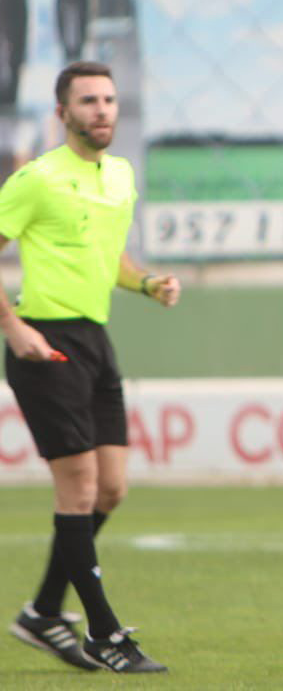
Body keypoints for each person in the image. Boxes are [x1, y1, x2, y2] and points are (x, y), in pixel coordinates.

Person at [2, 61, 179, 674]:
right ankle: (104, 634)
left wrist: (148, 281)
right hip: (44, 345)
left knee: (110, 490)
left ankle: (44, 611)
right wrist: (13, 327)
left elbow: (111, 259)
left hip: (96, 341)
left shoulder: (119, 176)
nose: (102, 109)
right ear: (62, 114)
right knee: (76, 489)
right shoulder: (38, 179)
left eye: (107, 99)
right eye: (87, 101)